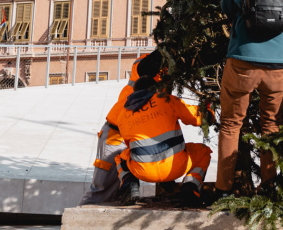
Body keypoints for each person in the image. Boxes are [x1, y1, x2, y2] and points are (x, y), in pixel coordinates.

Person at [216, 0, 283, 195]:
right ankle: (270, 186)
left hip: (243, 57)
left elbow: (227, 8)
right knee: (271, 124)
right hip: (280, 60)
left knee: (231, 124)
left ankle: (223, 189)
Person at [113, 75, 211, 208]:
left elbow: (130, 146)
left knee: (121, 158)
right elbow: (197, 118)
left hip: (143, 172)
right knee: (204, 152)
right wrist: (208, 111)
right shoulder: (166, 100)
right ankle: (190, 186)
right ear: (156, 89)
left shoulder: (123, 115)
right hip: (176, 167)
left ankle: (130, 186)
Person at [79, 51, 162, 205]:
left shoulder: (161, 76)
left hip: (131, 136)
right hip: (116, 134)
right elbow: (147, 65)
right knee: (101, 189)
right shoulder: (144, 63)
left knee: (120, 192)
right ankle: (79, 217)